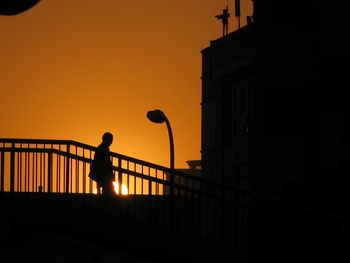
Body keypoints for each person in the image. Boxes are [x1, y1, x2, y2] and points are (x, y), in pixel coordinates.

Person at [89, 132, 115, 198]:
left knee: (107, 193)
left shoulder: (102, 148)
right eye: (110, 140)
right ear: (106, 140)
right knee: (110, 193)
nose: (111, 142)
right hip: (103, 175)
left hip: (102, 175)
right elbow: (105, 163)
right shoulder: (102, 149)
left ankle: (101, 205)